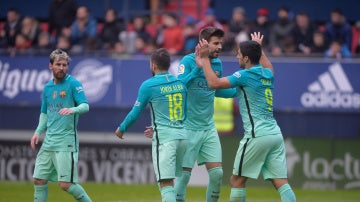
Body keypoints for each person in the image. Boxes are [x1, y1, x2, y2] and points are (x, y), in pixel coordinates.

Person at [195, 32, 296, 202]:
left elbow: (214, 83)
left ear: (247, 58)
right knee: (281, 182)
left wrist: (205, 59)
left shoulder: (245, 75)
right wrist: (259, 48)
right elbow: (269, 67)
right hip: (275, 135)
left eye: (239, 54)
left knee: (236, 181)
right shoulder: (267, 74)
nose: (237, 57)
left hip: (257, 135)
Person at [115, 48, 188, 202]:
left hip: (166, 139)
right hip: (182, 137)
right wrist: (157, 127)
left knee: (165, 184)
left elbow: (135, 113)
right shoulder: (181, 84)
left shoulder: (149, 85)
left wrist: (121, 129)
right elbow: (184, 114)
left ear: (153, 65)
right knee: (171, 182)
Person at [175, 27, 236, 202]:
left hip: (208, 128)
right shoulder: (187, 61)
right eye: (216, 43)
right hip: (188, 128)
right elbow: (178, 87)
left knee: (217, 174)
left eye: (221, 43)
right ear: (203, 43)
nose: (219, 47)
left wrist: (239, 90)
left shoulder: (218, 64)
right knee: (184, 177)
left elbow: (215, 89)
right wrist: (197, 69)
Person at [30, 49, 92, 202]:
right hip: (49, 141)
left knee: (65, 184)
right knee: (38, 179)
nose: (62, 68)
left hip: (66, 141)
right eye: (58, 64)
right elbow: (45, 113)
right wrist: (38, 132)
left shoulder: (73, 83)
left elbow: (85, 106)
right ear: (51, 66)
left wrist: (72, 109)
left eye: (65, 65)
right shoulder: (47, 88)